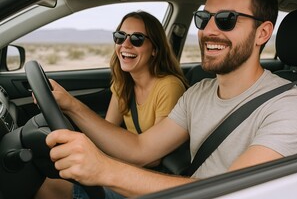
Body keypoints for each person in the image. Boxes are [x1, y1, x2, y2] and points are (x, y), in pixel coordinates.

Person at [37, 0, 297, 199]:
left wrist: (105, 170)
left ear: (263, 33)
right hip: (185, 191)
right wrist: (71, 106)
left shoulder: (290, 105)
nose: (208, 30)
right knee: (48, 187)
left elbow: (232, 192)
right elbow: (140, 148)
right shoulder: (198, 94)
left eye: (226, 20)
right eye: (204, 19)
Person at [34, 11, 187, 198]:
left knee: (47, 187)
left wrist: (71, 105)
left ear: (155, 49)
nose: (125, 44)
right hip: (126, 164)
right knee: (46, 174)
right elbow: (107, 130)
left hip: (153, 180)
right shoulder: (123, 83)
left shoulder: (169, 87)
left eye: (137, 39)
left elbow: (153, 158)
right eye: (120, 37)